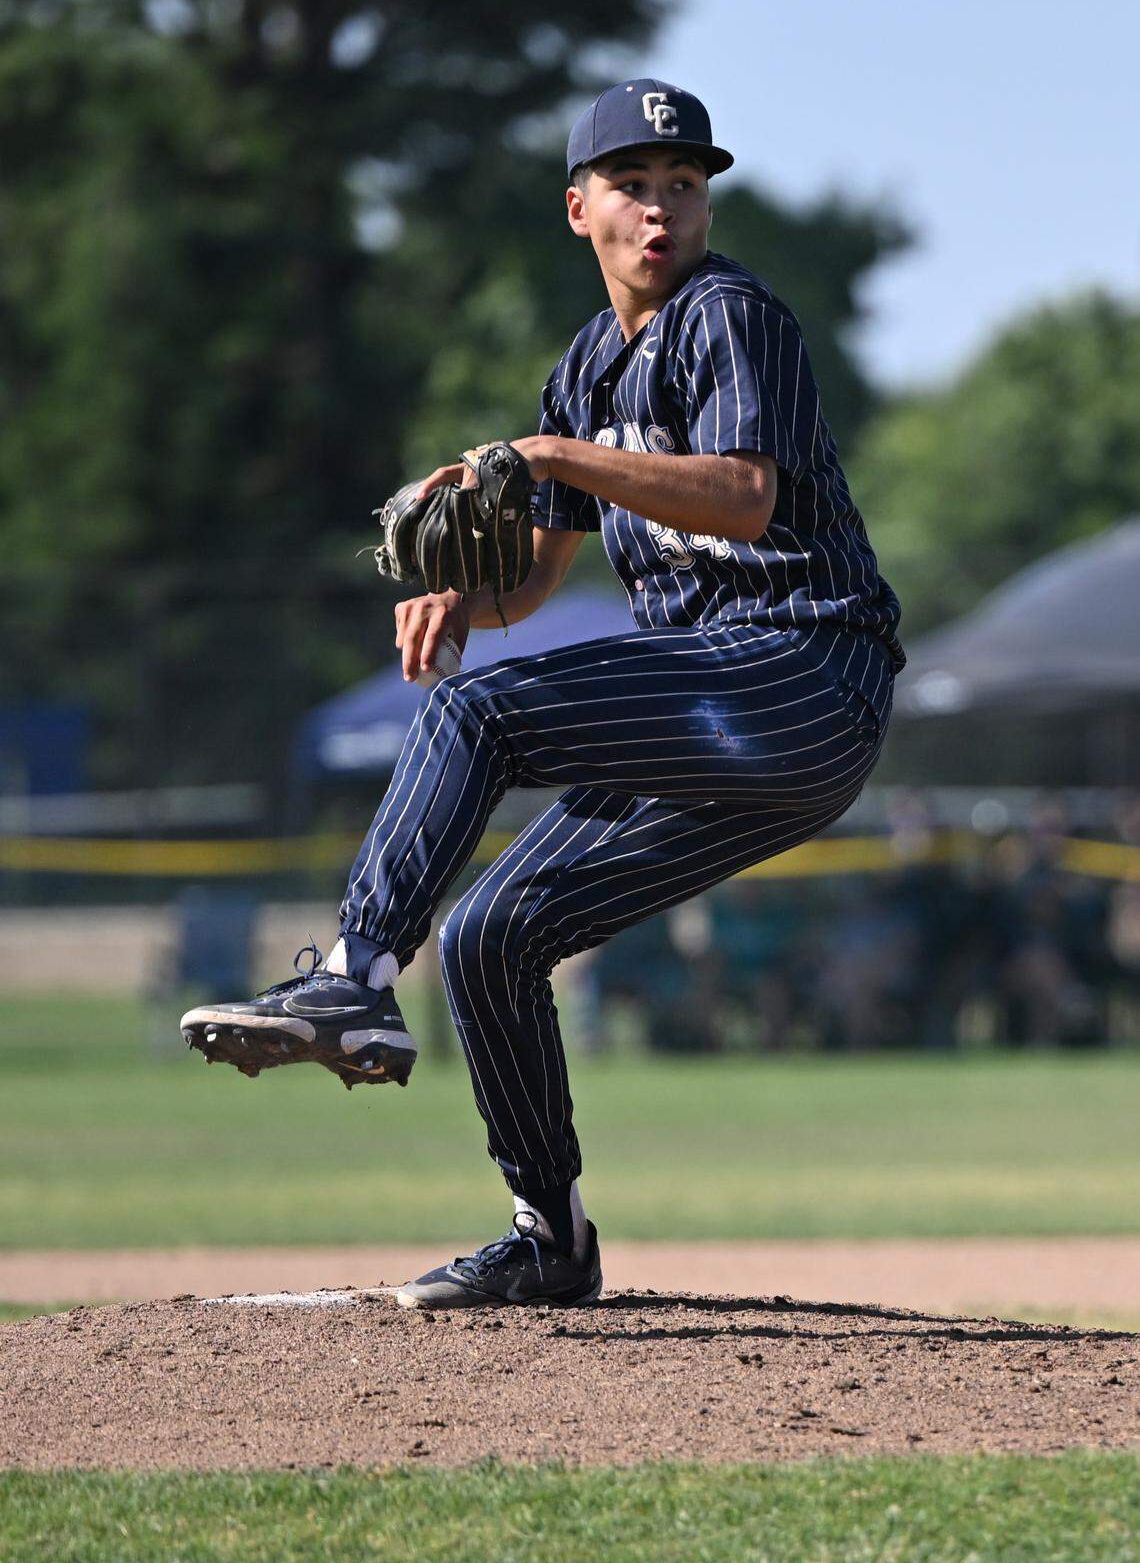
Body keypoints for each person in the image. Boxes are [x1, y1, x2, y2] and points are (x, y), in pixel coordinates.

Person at [182, 78, 905, 1309]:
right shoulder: (584, 369)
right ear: (580, 210)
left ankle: (354, 980)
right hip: (713, 712)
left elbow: (742, 497)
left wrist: (548, 454)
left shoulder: (732, 318)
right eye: (633, 185)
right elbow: (535, 582)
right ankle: (549, 1236)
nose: (663, 209)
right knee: (491, 935)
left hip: (802, 670)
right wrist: (467, 604)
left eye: (686, 184)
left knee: (479, 713)